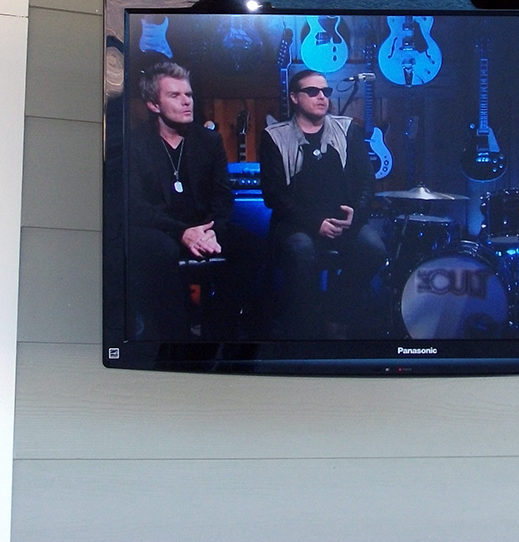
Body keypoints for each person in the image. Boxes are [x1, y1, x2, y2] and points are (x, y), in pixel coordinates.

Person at [261, 68, 389, 337]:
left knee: (374, 249)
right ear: (294, 97)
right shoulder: (275, 136)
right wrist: (315, 223)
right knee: (301, 251)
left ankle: (335, 311)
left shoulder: (347, 130)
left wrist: (356, 214)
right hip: (297, 223)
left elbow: (367, 180)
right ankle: (306, 327)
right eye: (312, 91)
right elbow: (274, 194)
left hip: (344, 221)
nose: (322, 97)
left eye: (325, 91)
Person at [125, 61, 245, 339]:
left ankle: (217, 333)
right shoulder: (135, 144)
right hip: (160, 230)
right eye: (175, 95)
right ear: (154, 105)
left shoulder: (209, 141)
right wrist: (181, 232)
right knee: (161, 250)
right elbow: (135, 206)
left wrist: (212, 231)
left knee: (252, 248)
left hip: (204, 227)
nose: (186, 101)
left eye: (188, 94)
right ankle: (176, 339)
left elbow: (222, 196)